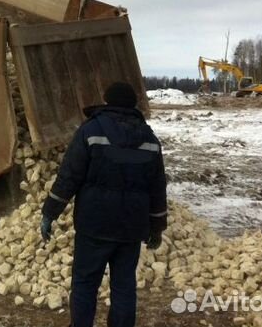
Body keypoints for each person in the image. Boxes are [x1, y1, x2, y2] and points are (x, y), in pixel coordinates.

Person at [40, 81, 167, 327]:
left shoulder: (91, 131)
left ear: (107, 102)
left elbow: (69, 176)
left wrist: (49, 212)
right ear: (133, 105)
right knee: (123, 286)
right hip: (130, 229)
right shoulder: (150, 139)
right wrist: (157, 226)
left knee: (85, 284)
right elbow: (157, 188)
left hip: (94, 226)